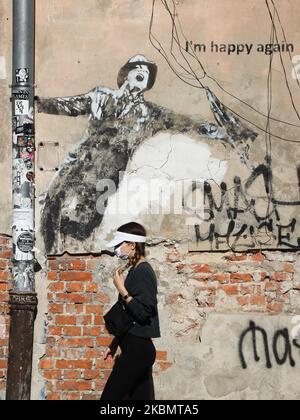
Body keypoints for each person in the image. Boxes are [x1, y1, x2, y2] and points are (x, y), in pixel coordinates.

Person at [100, 222, 160, 400]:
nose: (117, 249)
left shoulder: (144, 271)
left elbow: (144, 313)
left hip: (138, 350)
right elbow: (130, 317)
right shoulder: (134, 270)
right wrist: (115, 343)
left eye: (120, 244)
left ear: (132, 245)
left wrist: (122, 291)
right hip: (135, 348)